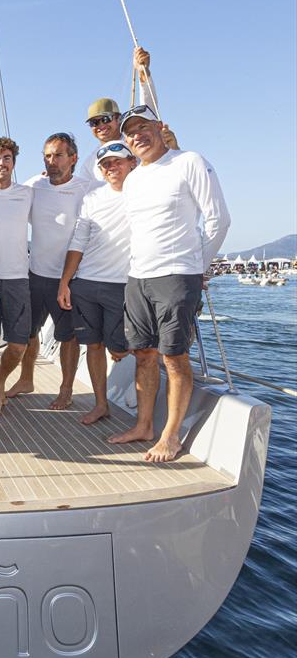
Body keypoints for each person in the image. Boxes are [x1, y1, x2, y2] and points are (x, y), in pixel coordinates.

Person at [108, 105, 230, 461]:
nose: (137, 136)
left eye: (143, 127)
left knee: (173, 357)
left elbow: (218, 220)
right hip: (139, 277)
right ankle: (144, 425)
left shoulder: (189, 161)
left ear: (160, 128)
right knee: (143, 355)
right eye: (130, 132)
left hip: (177, 274)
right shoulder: (133, 179)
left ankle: (171, 436)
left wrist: (197, 267)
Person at [7, 133, 94, 409]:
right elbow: (8, 200)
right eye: (47, 155)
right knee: (29, 332)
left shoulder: (87, 190)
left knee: (68, 336)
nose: (52, 161)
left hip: (69, 279)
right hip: (34, 275)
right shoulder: (34, 185)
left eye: (58, 155)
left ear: (73, 158)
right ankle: (26, 379)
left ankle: (66, 389)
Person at [57, 140, 136, 424]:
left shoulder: (145, 192)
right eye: (106, 165)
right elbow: (78, 241)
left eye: (117, 161)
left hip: (123, 285)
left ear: (132, 163)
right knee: (92, 345)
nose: (111, 167)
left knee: (120, 346)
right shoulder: (92, 198)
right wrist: (65, 282)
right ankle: (101, 404)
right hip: (86, 283)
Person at [0, 137, 33, 415]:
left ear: (14, 162)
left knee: (18, 344)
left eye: (7, 158)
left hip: (18, 278)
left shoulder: (28, 193)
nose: (2, 163)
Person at [79, 48, 178, 183]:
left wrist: (143, 73)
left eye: (105, 119)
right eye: (94, 123)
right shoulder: (88, 165)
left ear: (119, 119)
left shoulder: (137, 141)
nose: (101, 125)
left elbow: (149, 108)